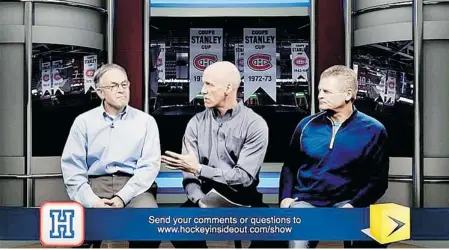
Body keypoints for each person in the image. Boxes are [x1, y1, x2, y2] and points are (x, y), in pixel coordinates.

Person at [161, 61, 271, 248]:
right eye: (203, 84)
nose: (203, 90)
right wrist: (199, 199)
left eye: (209, 84)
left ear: (228, 88)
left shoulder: (255, 124)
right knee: (177, 229)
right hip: (203, 195)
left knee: (276, 235)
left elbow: (244, 178)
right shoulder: (195, 123)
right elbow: (189, 175)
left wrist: (199, 169)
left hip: (243, 197)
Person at [279, 65, 389, 248]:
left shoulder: (374, 130)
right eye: (320, 90)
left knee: (378, 233)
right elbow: (290, 166)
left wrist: (353, 205)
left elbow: (378, 181)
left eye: (327, 91)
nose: (320, 95)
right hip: (307, 202)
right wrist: (285, 198)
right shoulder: (306, 125)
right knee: (295, 240)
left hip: (347, 203)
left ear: (347, 95)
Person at [61, 63, 161, 248]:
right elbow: (72, 169)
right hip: (95, 185)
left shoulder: (146, 122)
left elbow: (149, 167)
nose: (121, 90)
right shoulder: (83, 122)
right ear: (100, 93)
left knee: (149, 227)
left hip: (135, 188)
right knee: (80, 233)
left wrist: (122, 197)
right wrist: (92, 201)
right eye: (114, 86)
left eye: (124, 84)